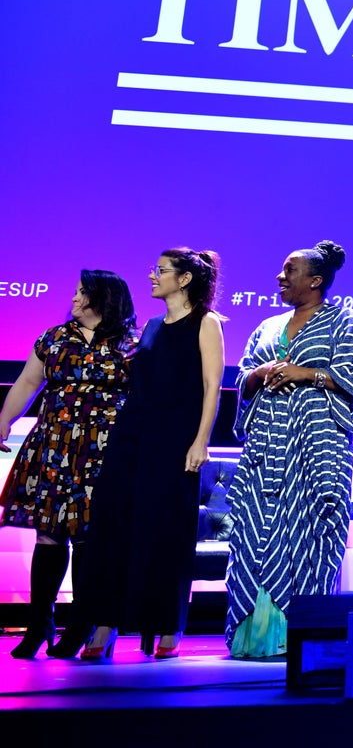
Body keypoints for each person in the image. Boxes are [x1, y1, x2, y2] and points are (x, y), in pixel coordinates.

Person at [225, 241, 353, 658]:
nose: (280, 277)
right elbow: (243, 380)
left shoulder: (344, 323)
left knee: (310, 534)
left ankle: (302, 636)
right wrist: (259, 374)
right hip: (265, 452)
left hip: (315, 451)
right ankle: (254, 636)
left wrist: (307, 374)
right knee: (254, 533)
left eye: (289, 270)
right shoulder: (268, 327)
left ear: (315, 280)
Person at [80, 249, 225, 660]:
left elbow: (212, 386)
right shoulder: (151, 326)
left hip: (175, 439)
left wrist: (201, 441)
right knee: (112, 528)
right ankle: (105, 624)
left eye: (160, 270)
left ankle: (166, 625)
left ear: (183, 280)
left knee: (166, 531)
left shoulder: (206, 322)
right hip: (132, 435)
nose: (152, 275)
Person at [0, 272, 137, 658]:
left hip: (104, 451)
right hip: (55, 444)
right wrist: (3, 421)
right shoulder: (55, 337)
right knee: (48, 533)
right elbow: (27, 383)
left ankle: (82, 624)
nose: (75, 299)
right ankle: (39, 622)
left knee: (88, 538)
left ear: (105, 299)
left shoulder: (132, 345)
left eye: (83, 293)